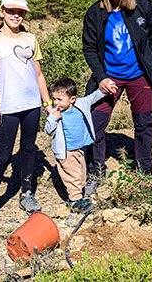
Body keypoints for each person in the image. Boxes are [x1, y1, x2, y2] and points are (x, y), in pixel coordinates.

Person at [0, 0, 53, 225]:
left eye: (20, 12)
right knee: (3, 155)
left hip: (32, 106)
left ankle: (27, 193)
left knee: (28, 149)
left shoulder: (31, 39)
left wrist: (47, 103)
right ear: (2, 12)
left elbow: (38, 73)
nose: (16, 15)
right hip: (8, 108)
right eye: (11, 11)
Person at [82, 0, 152, 194]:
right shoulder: (95, 13)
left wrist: (150, 64)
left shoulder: (142, 5)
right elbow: (89, 48)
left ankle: (144, 171)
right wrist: (101, 77)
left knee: (144, 123)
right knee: (95, 124)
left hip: (140, 76)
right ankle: (96, 171)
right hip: (109, 78)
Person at [44, 78, 107, 214]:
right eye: (54, 99)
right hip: (66, 152)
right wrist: (53, 118)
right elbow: (48, 130)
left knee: (80, 174)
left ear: (72, 99)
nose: (56, 103)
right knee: (73, 176)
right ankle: (75, 201)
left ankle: (77, 195)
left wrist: (105, 90)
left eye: (60, 99)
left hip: (79, 149)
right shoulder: (56, 114)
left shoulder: (80, 104)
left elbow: (93, 97)